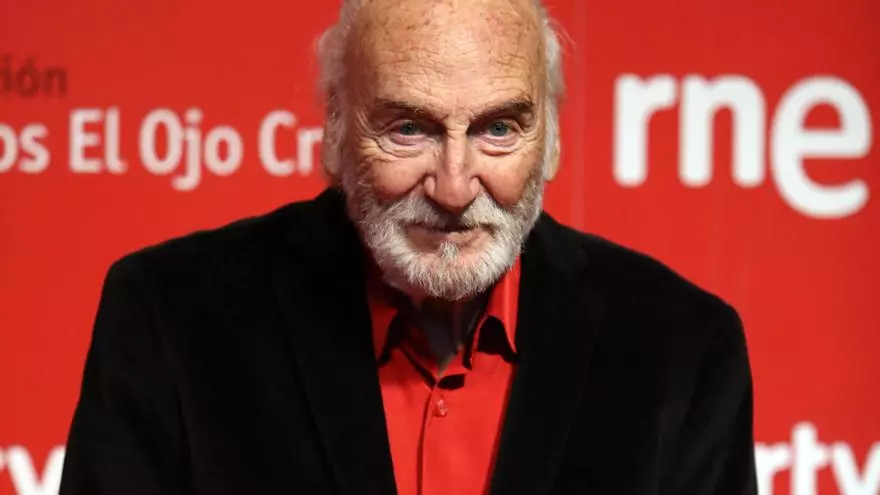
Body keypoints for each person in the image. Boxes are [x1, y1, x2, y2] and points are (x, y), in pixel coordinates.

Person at [59, 0, 758, 493]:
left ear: (551, 138)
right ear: (335, 130)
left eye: (498, 129)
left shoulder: (683, 347)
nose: (454, 187)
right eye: (408, 129)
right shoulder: (170, 318)